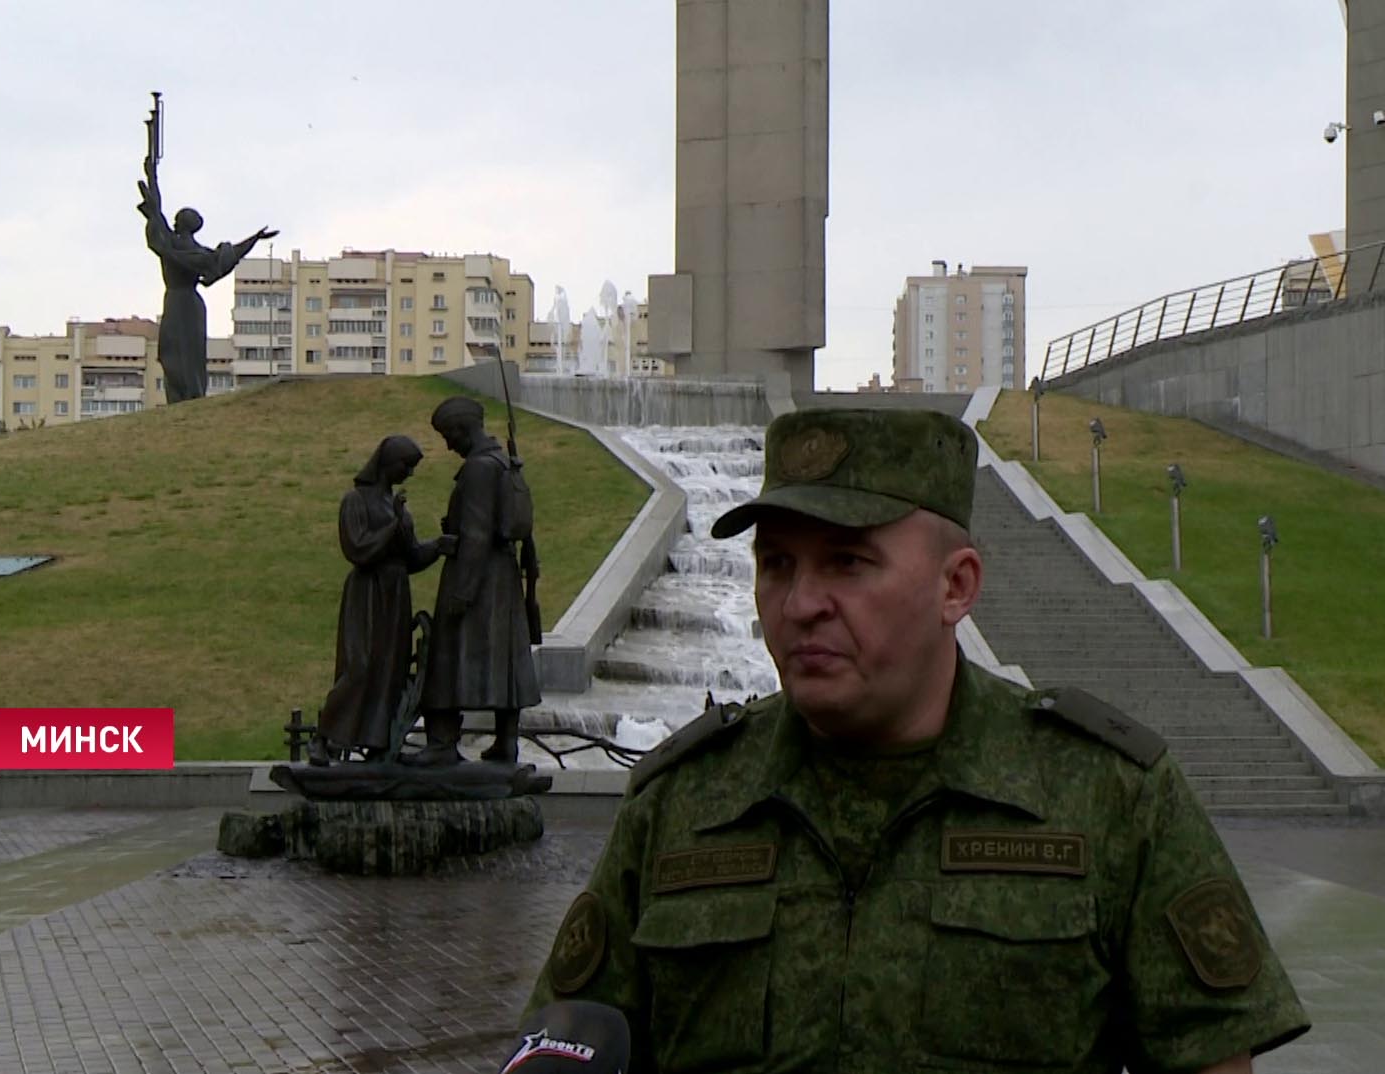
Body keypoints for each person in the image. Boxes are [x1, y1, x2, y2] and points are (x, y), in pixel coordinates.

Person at [525, 408, 1310, 1072]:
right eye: (777, 564)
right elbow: (568, 1039)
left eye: (847, 564)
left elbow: (1210, 1056)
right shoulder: (681, 803)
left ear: (956, 586)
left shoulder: (1110, 796)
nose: (801, 603)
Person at [412, 396, 541, 766]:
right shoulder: (503, 461)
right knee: (506, 658)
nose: (447, 444)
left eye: (448, 435)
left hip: (477, 577)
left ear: (461, 429)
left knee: (445, 655)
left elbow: (477, 534)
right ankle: (507, 740)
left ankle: (441, 741)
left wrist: (463, 592)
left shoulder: (478, 469)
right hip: (502, 577)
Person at [311, 435, 449, 766]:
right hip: (368, 593)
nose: (410, 473)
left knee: (391, 670)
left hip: (395, 594)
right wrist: (392, 524)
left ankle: (378, 744)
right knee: (359, 668)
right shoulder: (356, 501)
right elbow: (358, 548)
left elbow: (411, 556)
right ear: (388, 463)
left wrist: (439, 547)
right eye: (406, 466)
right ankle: (323, 738)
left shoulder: (397, 506)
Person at [135, 150, 274, 403]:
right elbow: (228, 256)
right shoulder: (193, 251)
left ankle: (185, 398)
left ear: (181, 224)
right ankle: (184, 397)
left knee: (182, 354)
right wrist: (254, 239)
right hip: (188, 304)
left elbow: (156, 213)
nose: (173, 222)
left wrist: (152, 176)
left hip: (179, 303)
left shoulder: (171, 245)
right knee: (181, 353)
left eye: (176, 219)